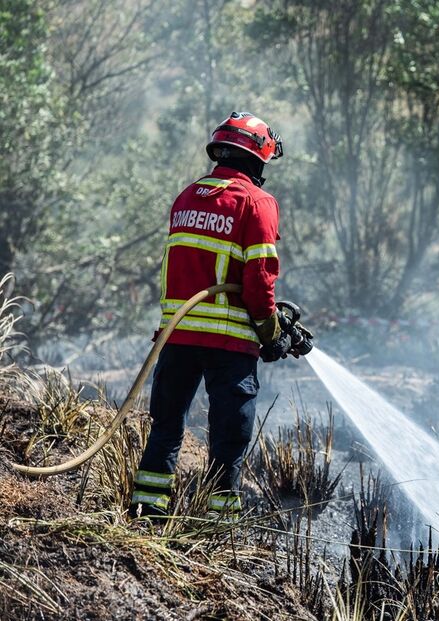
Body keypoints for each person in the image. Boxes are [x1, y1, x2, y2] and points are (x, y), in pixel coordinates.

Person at [130, 111, 286, 518]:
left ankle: (148, 510)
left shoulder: (186, 197)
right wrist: (270, 334)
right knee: (229, 438)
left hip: (177, 336)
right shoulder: (257, 202)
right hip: (230, 342)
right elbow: (259, 281)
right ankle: (218, 522)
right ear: (257, 159)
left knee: (165, 427)